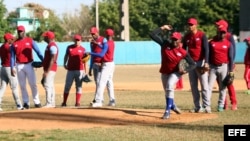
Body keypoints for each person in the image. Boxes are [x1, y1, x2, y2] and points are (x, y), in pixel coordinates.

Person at [149, 24, 195, 119]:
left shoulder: (183, 52)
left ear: (180, 40)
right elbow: (152, 34)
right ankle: (172, 105)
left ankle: (167, 111)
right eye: (173, 39)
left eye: (176, 39)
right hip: (165, 72)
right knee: (167, 91)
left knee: (170, 86)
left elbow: (193, 64)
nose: (174, 41)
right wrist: (163, 28)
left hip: (176, 73)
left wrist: (185, 70)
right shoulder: (165, 44)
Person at [10, 25, 44, 109]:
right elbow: (12, 57)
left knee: (33, 84)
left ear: (24, 31)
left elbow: (38, 51)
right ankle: (26, 102)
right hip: (19, 65)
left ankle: (37, 101)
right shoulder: (14, 44)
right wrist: (12, 67)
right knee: (22, 85)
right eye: (18, 31)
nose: (20, 32)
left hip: (29, 64)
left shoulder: (30, 41)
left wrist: (43, 60)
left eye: (21, 31)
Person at [182, 18, 211, 113]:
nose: (190, 26)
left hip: (201, 62)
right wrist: (184, 61)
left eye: (191, 24)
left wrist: (206, 62)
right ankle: (197, 106)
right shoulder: (186, 37)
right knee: (193, 86)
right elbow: (183, 50)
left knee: (204, 85)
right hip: (191, 64)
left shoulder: (202, 35)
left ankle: (207, 106)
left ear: (196, 25)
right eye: (188, 25)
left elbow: (206, 49)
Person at [208, 26, 234, 112]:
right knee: (209, 87)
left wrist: (231, 71)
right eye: (221, 32)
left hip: (224, 66)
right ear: (218, 32)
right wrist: (207, 64)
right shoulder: (212, 43)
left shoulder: (228, 43)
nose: (222, 34)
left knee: (223, 87)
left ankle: (220, 105)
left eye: (224, 33)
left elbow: (230, 58)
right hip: (213, 67)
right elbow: (208, 55)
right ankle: (207, 105)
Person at [89, 28, 116, 107]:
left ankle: (98, 101)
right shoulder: (112, 43)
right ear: (112, 35)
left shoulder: (106, 43)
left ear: (105, 35)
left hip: (106, 64)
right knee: (109, 82)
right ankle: (112, 100)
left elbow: (101, 55)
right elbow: (104, 48)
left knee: (101, 82)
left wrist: (90, 53)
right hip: (111, 64)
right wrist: (98, 44)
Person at [215, 19, 237, 110]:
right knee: (221, 84)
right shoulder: (217, 37)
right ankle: (224, 104)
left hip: (227, 64)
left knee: (229, 83)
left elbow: (233, 52)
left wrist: (231, 65)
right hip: (218, 64)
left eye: (218, 25)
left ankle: (234, 103)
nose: (216, 27)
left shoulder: (229, 36)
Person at [61, 34, 87, 107]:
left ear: (81, 41)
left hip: (80, 70)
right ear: (74, 40)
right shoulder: (69, 48)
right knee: (67, 86)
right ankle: (64, 102)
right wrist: (64, 63)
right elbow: (66, 55)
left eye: (78, 40)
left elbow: (85, 61)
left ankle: (77, 102)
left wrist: (86, 72)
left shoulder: (83, 49)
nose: (77, 42)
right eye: (76, 40)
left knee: (79, 86)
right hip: (70, 70)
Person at [0, 33, 23, 111]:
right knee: (14, 87)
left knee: (2, 88)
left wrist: (14, 40)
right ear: (8, 39)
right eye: (11, 39)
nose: (12, 40)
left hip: (2, 68)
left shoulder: (2, 47)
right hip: (9, 68)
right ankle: (19, 105)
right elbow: (14, 50)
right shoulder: (8, 48)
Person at [88, 27, 108, 105]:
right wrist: (90, 68)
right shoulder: (92, 43)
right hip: (94, 64)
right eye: (91, 34)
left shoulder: (103, 40)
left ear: (97, 32)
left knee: (100, 82)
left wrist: (103, 62)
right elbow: (92, 56)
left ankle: (98, 99)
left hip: (101, 63)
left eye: (94, 33)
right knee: (97, 82)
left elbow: (104, 52)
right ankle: (99, 98)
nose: (93, 35)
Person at [41, 31, 58, 108]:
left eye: (45, 36)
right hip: (50, 68)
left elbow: (53, 58)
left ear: (48, 37)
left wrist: (47, 71)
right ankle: (52, 102)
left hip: (50, 69)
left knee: (47, 85)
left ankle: (49, 103)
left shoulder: (52, 46)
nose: (44, 38)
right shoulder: (50, 45)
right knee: (50, 86)